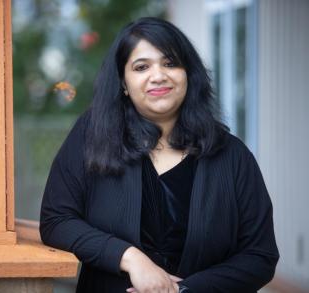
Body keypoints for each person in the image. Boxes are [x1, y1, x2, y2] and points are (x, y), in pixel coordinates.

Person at [40, 17, 279, 293]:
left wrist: (182, 290)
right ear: (124, 83)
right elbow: (57, 221)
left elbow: (260, 255)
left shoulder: (232, 155)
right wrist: (130, 258)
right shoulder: (92, 136)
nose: (158, 75)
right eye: (141, 67)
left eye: (170, 63)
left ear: (188, 74)